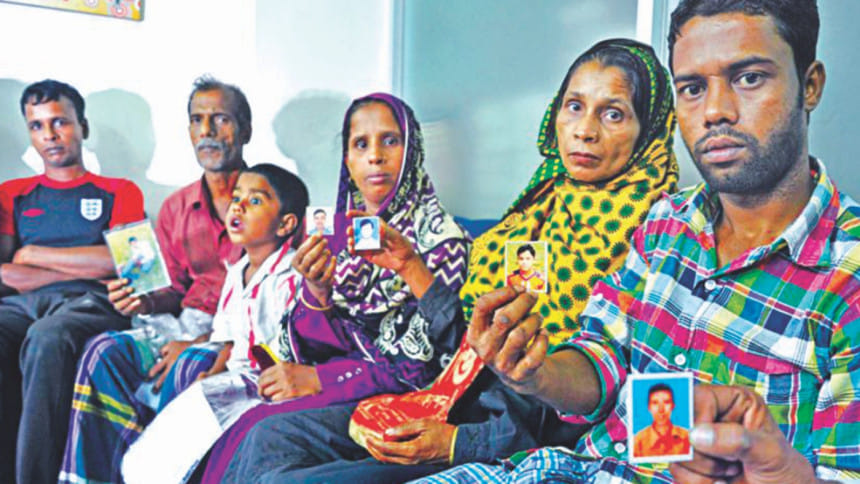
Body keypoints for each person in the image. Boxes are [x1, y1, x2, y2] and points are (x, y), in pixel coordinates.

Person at [216, 39, 679, 484]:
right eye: (574, 107)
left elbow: (623, 401)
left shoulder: (655, 236)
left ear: (650, 131)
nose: (584, 130)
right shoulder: (535, 212)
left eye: (613, 114)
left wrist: (461, 442)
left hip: (501, 427)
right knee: (267, 438)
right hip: (447, 393)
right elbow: (468, 343)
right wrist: (407, 268)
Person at [436, 0, 860, 482]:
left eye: (748, 78)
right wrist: (537, 374)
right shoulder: (666, 222)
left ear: (810, 85)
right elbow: (603, 355)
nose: (715, 111)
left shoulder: (847, 280)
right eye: (693, 88)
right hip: (563, 470)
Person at [201, 93, 471, 483]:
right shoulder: (335, 238)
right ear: (347, 160)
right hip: (346, 381)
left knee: (262, 432)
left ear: (413, 150)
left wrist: (319, 379)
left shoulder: (442, 242)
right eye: (361, 144)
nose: (375, 156)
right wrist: (317, 293)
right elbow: (303, 343)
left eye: (390, 140)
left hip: (400, 399)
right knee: (241, 423)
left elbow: (427, 366)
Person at [58, 76, 247, 484]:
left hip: (238, 333)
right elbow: (173, 291)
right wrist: (143, 301)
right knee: (103, 350)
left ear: (244, 129)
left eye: (221, 119)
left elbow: (276, 298)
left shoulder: (268, 199)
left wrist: (201, 342)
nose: (208, 131)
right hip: (186, 322)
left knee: (189, 366)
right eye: (197, 120)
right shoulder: (178, 206)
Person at [121, 163, 309, 483]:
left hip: (272, 383)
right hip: (236, 377)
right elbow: (229, 339)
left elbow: (296, 348)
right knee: (163, 438)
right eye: (236, 198)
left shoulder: (293, 275)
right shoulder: (235, 273)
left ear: (285, 224)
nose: (238, 207)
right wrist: (212, 373)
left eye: (254, 201)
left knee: (210, 435)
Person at [0, 79, 145, 484]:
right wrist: (91, 261)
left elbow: (130, 264)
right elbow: (3, 273)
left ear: (83, 126)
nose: (49, 134)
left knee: (48, 337)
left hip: (90, 304)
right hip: (19, 304)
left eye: (60, 122)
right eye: (37, 125)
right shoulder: (12, 194)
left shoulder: (120, 191)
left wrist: (33, 254)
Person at [633, 383, 690, 459]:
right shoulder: (638, 441)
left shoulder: (686, 437)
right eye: (655, 403)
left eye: (666, 402)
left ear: (673, 406)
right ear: (649, 407)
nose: (661, 410)